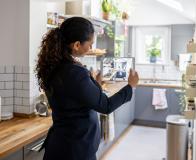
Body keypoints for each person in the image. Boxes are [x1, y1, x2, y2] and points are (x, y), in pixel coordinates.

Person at [35, 17, 139, 160]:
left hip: (59, 146)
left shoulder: (54, 66)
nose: (90, 48)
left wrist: (94, 83)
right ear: (77, 45)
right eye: (90, 44)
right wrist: (130, 86)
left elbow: (74, 97)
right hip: (75, 150)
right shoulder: (75, 72)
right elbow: (106, 106)